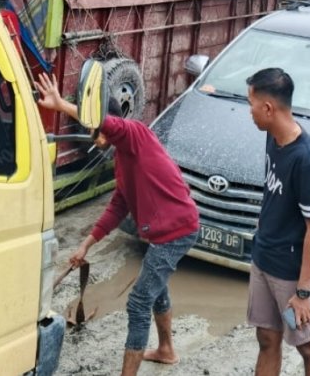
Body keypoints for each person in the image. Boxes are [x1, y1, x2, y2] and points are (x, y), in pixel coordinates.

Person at [34, 72, 198, 376]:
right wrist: (86, 243)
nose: (94, 137)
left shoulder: (135, 134)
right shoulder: (124, 156)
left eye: (95, 128)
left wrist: (61, 106)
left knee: (138, 303)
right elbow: (118, 206)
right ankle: (166, 350)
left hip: (177, 231)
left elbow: (111, 124)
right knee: (155, 289)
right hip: (165, 233)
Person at [244, 67, 310, 376]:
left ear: (268, 108)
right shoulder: (272, 136)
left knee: (306, 345)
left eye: (250, 103)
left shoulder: (306, 159)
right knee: (266, 337)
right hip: (264, 257)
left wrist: (304, 293)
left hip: (293, 273)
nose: (249, 111)